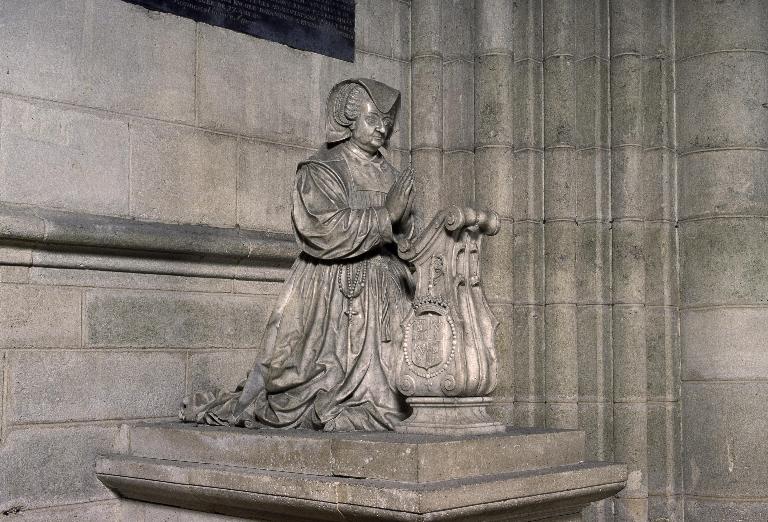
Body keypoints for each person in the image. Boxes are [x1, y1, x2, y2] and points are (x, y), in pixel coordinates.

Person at [181, 78, 416, 431]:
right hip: (330, 292)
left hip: (385, 294)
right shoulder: (322, 169)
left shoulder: (393, 175)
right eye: (372, 119)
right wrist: (386, 216)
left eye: (387, 122)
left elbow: (411, 229)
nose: (382, 128)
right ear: (350, 121)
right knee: (321, 380)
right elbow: (320, 229)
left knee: (394, 394)